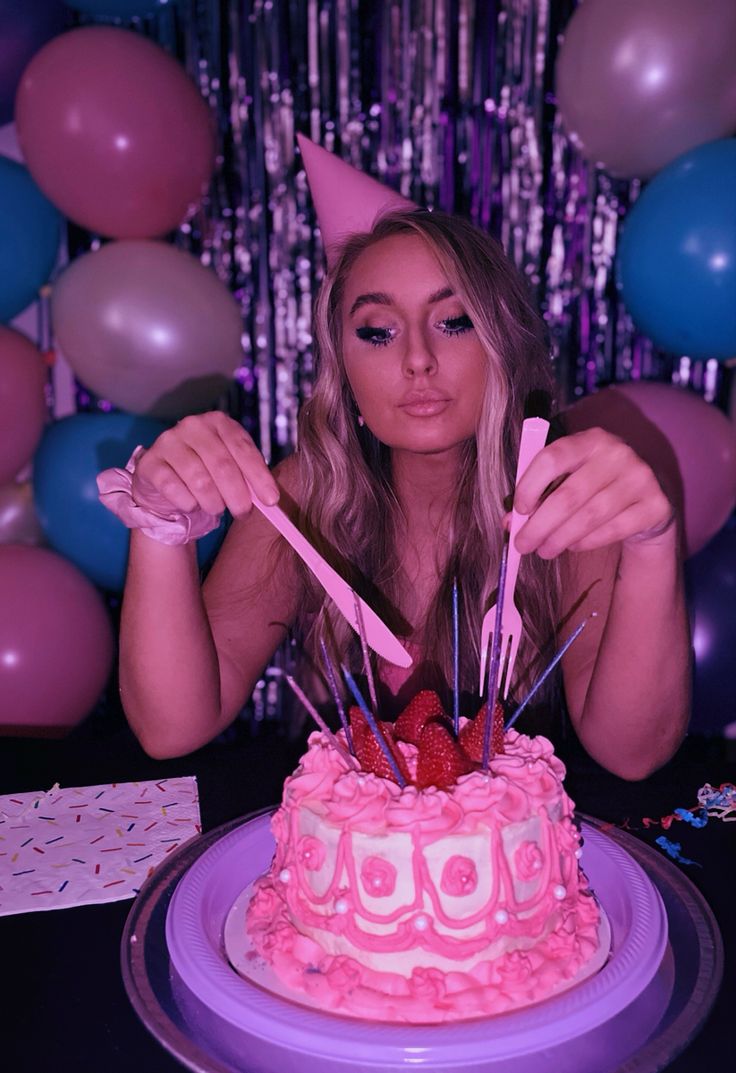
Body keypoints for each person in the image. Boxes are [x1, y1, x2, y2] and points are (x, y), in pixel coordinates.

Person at [100, 144, 690, 781]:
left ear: (504, 346)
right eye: (377, 331)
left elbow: (634, 753)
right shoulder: (302, 497)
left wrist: (652, 542)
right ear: (342, 370)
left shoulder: (564, 500)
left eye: (455, 321)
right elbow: (171, 728)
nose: (417, 359)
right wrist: (161, 524)